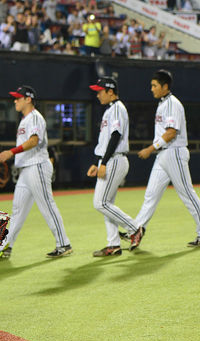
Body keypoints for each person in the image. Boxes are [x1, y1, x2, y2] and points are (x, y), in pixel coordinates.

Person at [133, 70, 200, 248]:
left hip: (174, 152)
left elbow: (171, 132)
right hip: (163, 154)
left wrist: (150, 149)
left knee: (187, 194)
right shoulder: (163, 104)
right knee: (150, 195)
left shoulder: (172, 104)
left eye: (155, 85)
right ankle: (136, 229)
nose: (151, 89)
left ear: (165, 86)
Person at [0, 85, 72, 260]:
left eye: (18, 98)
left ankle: (64, 244)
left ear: (28, 99)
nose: (15, 101)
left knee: (47, 205)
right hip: (27, 169)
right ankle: (6, 246)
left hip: (37, 166)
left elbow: (34, 141)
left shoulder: (35, 117)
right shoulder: (25, 119)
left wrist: (11, 152)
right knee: (18, 209)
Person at [87, 77, 142, 257]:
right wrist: (97, 162)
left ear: (110, 92)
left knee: (100, 203)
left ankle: (134, 228)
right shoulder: (110, 110)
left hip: (115, 159)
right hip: (109, 159)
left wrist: (103, 162)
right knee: (106, 204)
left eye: (100, 91)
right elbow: (105, 140)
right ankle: (114, 244)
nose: (97, 95)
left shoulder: (117, 108)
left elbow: (116, 136)